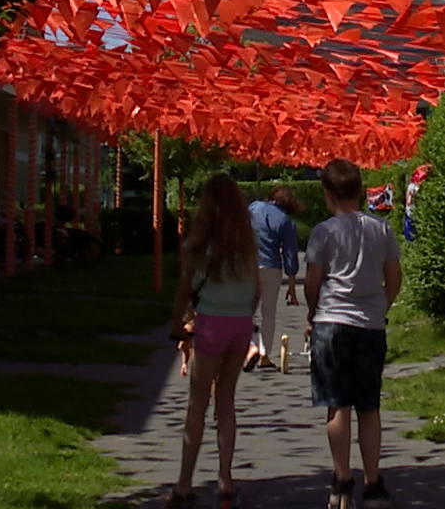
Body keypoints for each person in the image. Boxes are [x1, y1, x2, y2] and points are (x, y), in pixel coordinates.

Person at [304, 159, 402, 509]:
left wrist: (312, 313)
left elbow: (313, 281)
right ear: (361, 191)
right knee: (369, 406)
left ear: (327, 193)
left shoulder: (324, 232)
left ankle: (341, 478)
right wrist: (381, 307)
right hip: (370, 325)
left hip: (332, 322)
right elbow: (394, 278)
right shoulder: (381, 229)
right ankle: (373, 482)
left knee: (337, 405)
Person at [165, 174, 259, 508]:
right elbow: (257, 289)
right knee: (227, 402)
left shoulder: (200, 242)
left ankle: (185, 482)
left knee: (197, 403)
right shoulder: (247, 241)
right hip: (240, 324)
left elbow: (184, 289)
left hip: (209, 325)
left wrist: (178, 323)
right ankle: (225, 478)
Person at [246, 185, 302, 372]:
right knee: (268, 313)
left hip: (248, 265)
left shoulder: (253, 208)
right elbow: (290, 255)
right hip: (272, 267)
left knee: (247, 310)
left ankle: (250, 346)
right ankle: (264, 355)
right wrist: (292, 286)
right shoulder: (285, 221)